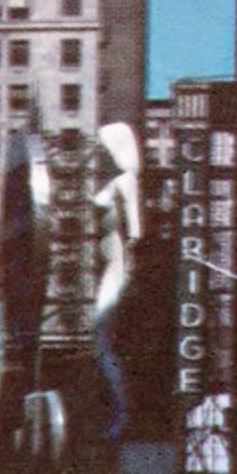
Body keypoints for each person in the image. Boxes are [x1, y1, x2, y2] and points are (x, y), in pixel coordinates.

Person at [89, 121, 142, 442]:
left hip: (117, 268)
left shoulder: (125, 182)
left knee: (101, 342)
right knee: (100, 344)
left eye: (104, 145)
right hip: (106, 267)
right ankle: (117, 410)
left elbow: (136, 232)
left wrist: (130, 277)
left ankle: (123, 412)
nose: (99, 150)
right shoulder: (112, 181)